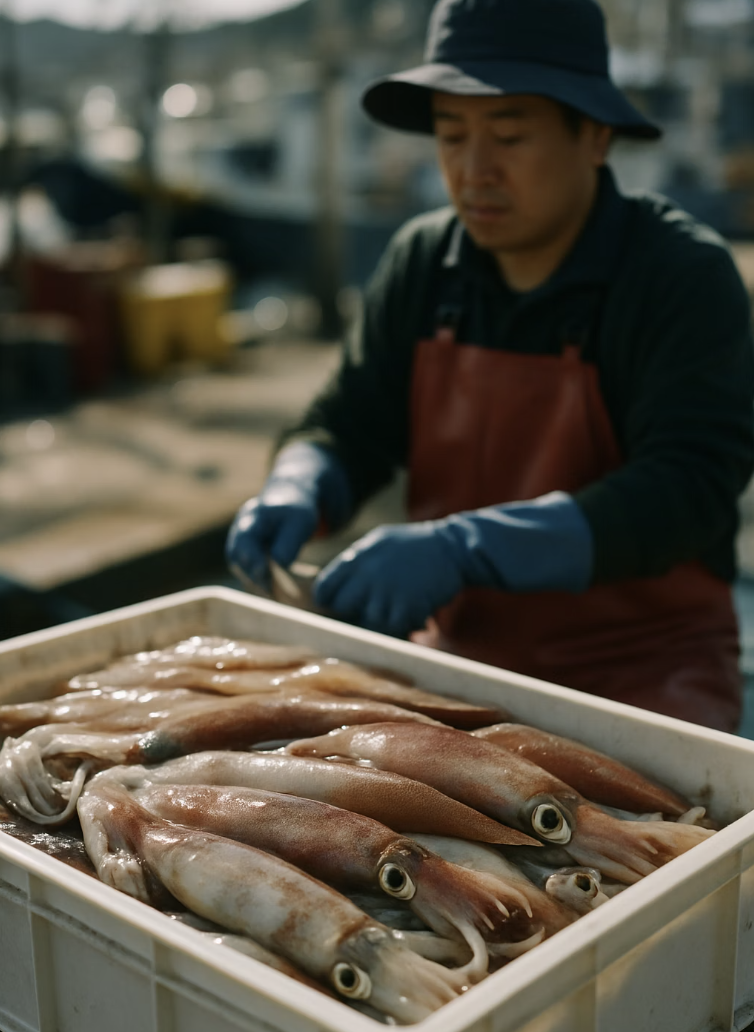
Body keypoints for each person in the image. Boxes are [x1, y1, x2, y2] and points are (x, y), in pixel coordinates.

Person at [227, 0, 754, 733]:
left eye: (509, 135)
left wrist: (464, 548)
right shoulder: (422, 261)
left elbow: (687, 488)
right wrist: (299, 480)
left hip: (644, 672)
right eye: (451, 135)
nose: (474, 170)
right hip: (461, 663)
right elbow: (351, 421)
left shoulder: (679, 275)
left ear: (595, 135)